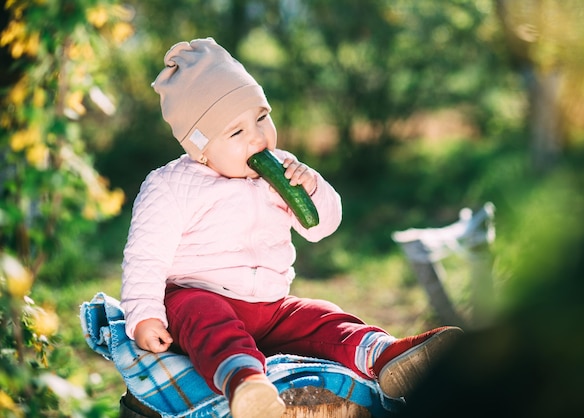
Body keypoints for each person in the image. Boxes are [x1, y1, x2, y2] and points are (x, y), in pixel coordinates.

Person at [120, 37, 462, 418]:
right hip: (198, 296)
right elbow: (145, 256)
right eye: (237, 132)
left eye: (262, 117)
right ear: (199, 148)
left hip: (271, 306)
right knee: (204, 316)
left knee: (322, 315)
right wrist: (143, 314)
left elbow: (321, 227)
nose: (258, 136)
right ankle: (245, 381)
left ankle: (384, 354)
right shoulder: (170, 185)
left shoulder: (283, 168)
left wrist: (312, 187)